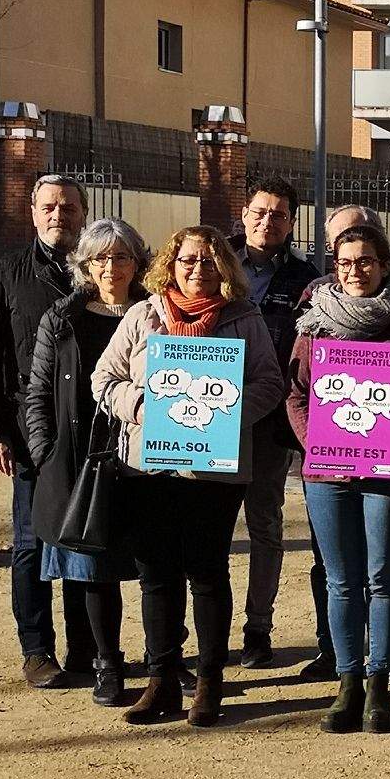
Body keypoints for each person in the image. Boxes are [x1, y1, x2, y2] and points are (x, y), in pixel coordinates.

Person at [91, 226, 284, 726]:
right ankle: (161, 681)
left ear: (224, 268)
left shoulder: (244, 318)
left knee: (207, 573)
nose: (197, 270)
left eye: (208, 261)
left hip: (215, 471)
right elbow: (103, 379)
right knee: (156, 574)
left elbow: (270, 381)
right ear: (170, 265)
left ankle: (209, 683)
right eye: (187, 261)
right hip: (149, 466)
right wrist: (142, 408)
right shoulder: (143, 315)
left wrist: (228, 414)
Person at [287, 223, 390, 735]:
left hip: (387, 471)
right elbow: (297, 396)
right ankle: (346, 681)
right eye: (346, 262)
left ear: (385, 265)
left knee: (381, 575)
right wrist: (320, 444)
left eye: (366, 261)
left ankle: (378, 683)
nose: (355, 271)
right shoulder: (314, 324)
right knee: (341, 579)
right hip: (326, 470)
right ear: (335, 265)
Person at [0, 173, 93, 688]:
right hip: (29, 432)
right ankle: (37, 650)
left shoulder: (100, 273)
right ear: (33, 212)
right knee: (30, 542)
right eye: (48, 207)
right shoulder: (5, 274)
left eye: (67, 206)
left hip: (92, 429)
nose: (57, 215)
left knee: (88, 539)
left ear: (82, 213)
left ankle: (89, 648)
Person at [22, 218, 151, 707]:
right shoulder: (62, 318)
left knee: (158, 563)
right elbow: (37, 391)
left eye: (121, 257)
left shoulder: (158, 314)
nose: (111, 267)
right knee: (95, 566)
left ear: (138, 262)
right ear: (85, 265)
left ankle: (165, 660)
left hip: (146, 457)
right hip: (82, 459)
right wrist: (45, 451)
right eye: (100, 257)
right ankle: (108, 665)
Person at [230, 174, 319, 669]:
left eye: (279, 215)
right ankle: (205, 628)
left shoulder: (305, 279)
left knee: (264, 524)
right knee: (209, 531)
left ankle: (257, 630)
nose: (268, 221)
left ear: (291, 222)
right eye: (260, 212)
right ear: (244, 214)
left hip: (271, 421)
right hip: (207, 417)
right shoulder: (212, 261)